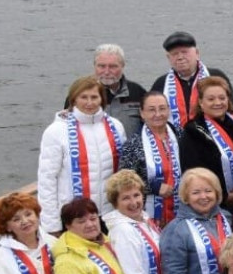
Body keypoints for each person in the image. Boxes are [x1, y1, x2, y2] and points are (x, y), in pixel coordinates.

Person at [38, 75, 126, 233]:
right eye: (83, 97)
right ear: (73, 100)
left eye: (94, 97)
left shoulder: (116, 127)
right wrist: (52, 225)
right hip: (74, 218)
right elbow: (47, 180)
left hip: (109, 216)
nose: (89, 102)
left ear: (102, 99)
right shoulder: (57, 131)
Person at [178, 75, 233, 211]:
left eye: (222, 98)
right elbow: (194, 172)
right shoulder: (193, 131)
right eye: (211, 99)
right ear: (200, 102)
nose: (217, 103)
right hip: (218, 201)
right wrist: (222, 193)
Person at [117, 91, 182, 229]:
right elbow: (124, 182)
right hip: (147, 212)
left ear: (169, 110)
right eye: (151, 110)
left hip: (181, 209)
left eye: (162, 109)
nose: (158, 114)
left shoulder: (181, 136)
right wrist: (152, 187)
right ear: (142, 113)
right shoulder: (133, 144)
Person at [151, 31, 233, 129]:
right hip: (175, 140)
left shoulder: (215, 76)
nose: (180, 57)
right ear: (169, 58)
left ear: (197, 53)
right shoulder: (161, 83)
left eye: (185, 52)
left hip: (212, 136)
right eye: (175, 54)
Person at [93, 43, 145, 136]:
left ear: (122, 66)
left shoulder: (138, 93)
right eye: (101, 66)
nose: (107, 72)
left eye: (113, 66)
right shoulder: (81, 95)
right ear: (94, 66)